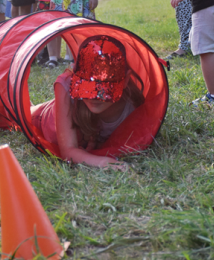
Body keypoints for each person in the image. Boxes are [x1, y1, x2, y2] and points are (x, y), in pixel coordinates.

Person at [30, 35, 143, 169]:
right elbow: (68, 152)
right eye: (87, 88)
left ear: (125, 80)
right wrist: (104, 163)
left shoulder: (132, 105)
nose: (93, 97)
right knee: (23, 113)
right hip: (45, 118)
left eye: (103, 89)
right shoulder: (66, 86)